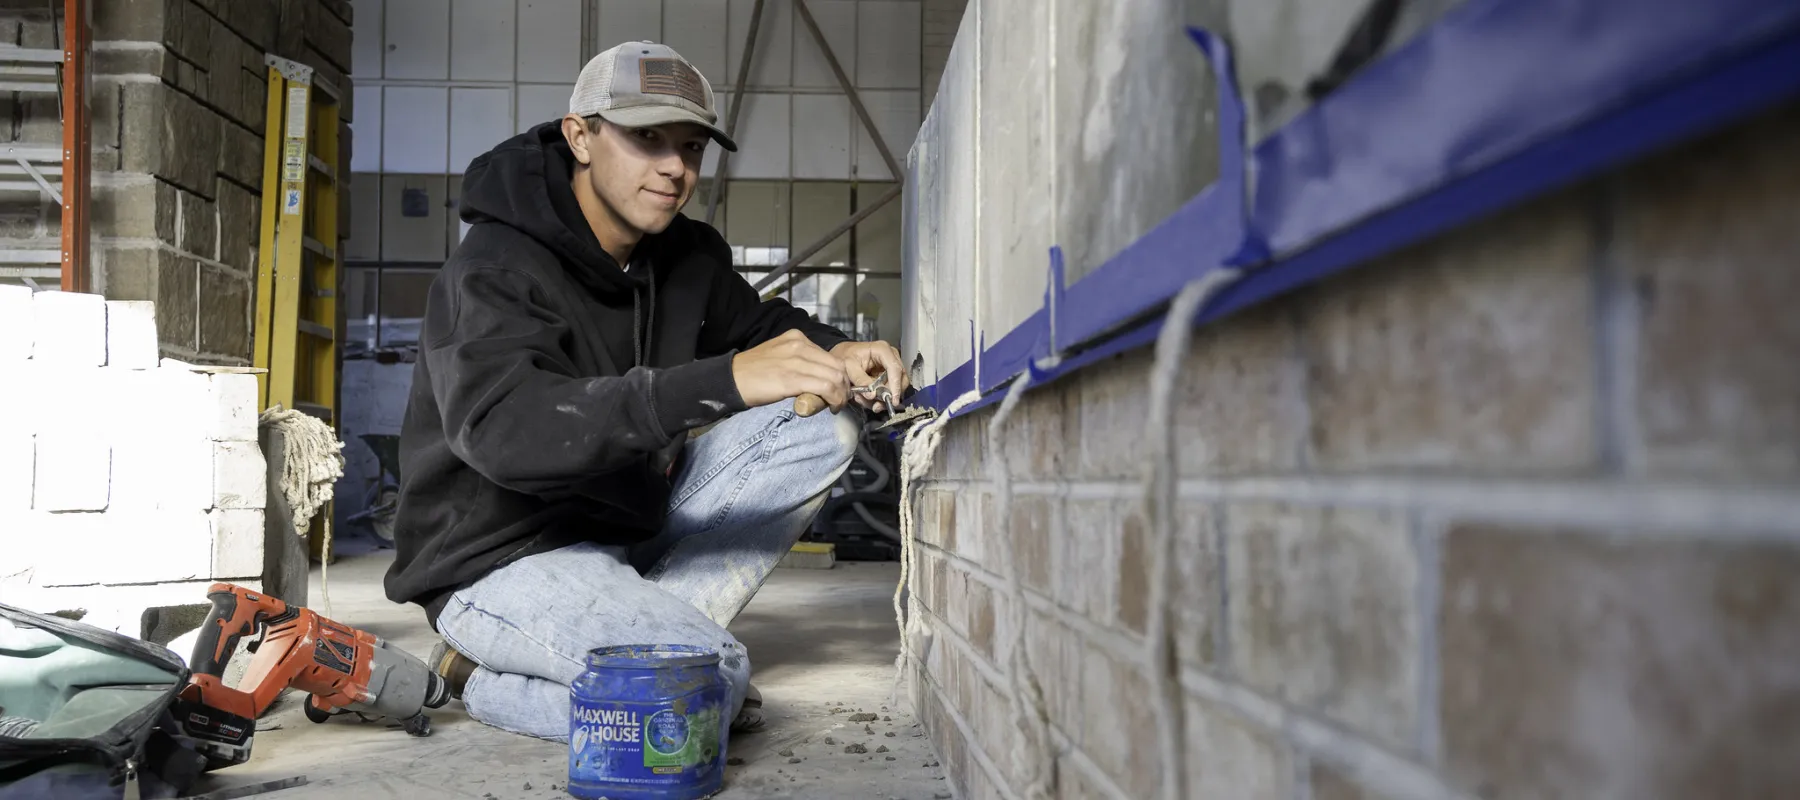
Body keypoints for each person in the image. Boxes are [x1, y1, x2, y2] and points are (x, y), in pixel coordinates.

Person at [381, 40, 910, 741]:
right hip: (497, 561)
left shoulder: (687, 256)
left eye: (690, 147)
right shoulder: (494, 269)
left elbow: (764, 325)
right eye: (646, 138)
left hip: (625, 529)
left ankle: (630, 650)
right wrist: (722, 381)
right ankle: (477, 674)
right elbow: (512, 435)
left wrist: (838, 351)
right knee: (706, 688)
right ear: (581, 136)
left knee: (821, 419)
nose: (673, 167)